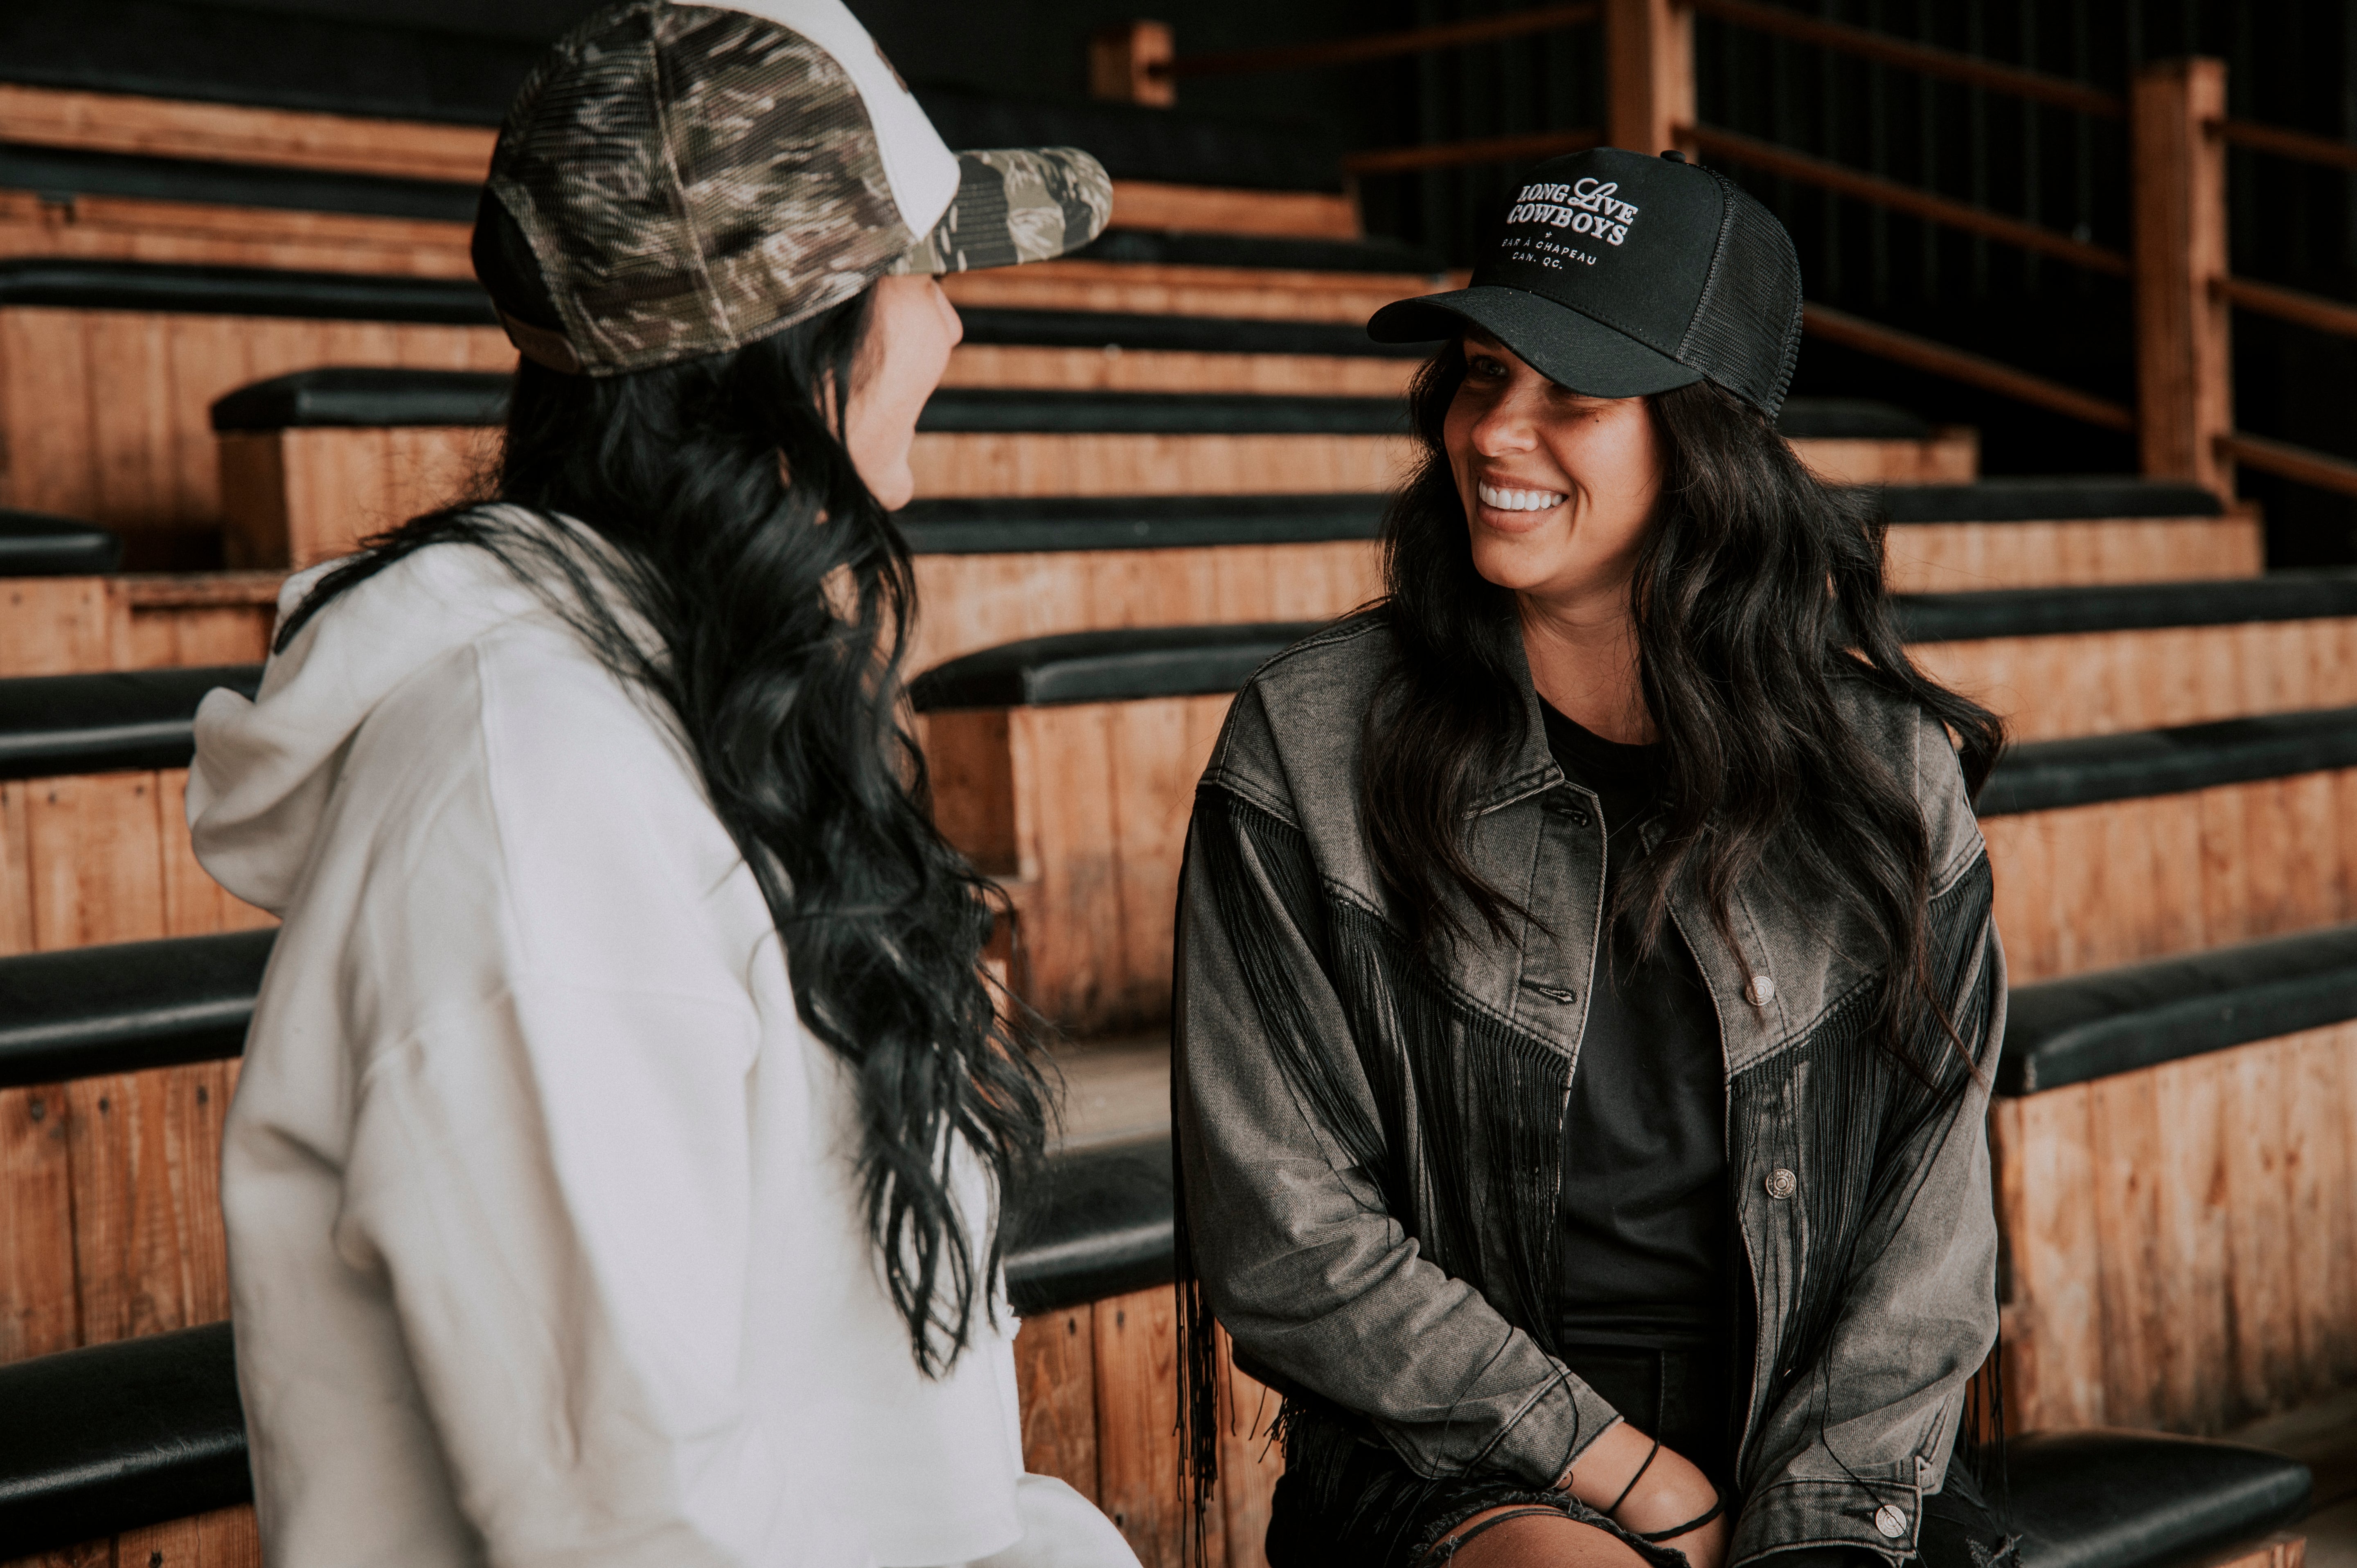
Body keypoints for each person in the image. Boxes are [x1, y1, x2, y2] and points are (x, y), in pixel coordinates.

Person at [187, 3, 1139, 1563]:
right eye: (923, 272)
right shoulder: (539, 800)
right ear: (794, 334)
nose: (953, 330)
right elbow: (632, 1524)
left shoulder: (673, 711)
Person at [1172, 148, 2014, 1568]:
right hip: (1453, 1446)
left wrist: (1809, 1516)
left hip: (1820, 1442)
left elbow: (1931, 1236)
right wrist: (1629, 1480)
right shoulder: (1304, 750)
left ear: (1706, 442)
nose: (1497, 433)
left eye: (1570, 397)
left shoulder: (1886, 772)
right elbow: (1284, 1234)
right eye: (1483, 377)